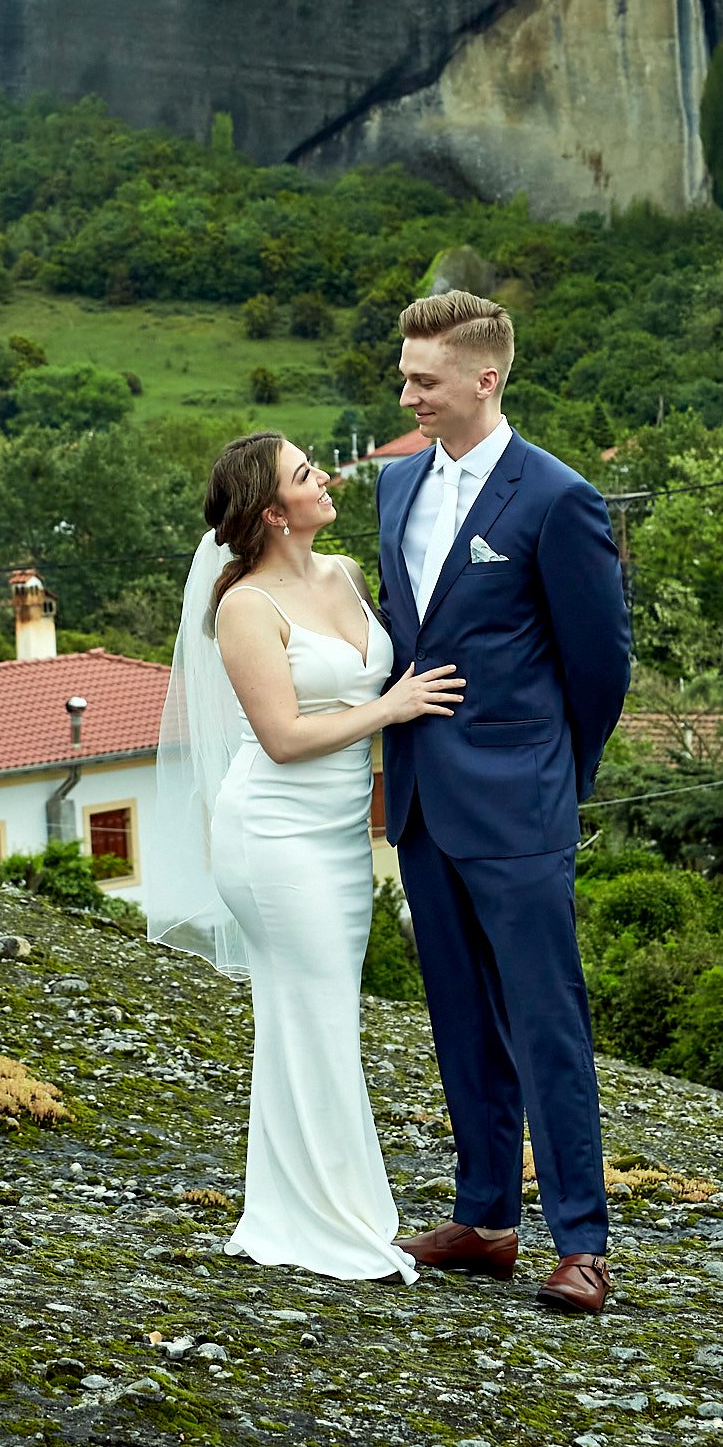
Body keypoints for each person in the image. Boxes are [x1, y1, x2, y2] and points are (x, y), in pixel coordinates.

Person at [150, 430, 464, 1282]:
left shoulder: (347, 574)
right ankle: (321, 1222)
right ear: (270, 512)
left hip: (335, 837)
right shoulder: (245, 607)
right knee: (313, 1018)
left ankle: (319, 1210)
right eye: (303, 474)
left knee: (318, 1019)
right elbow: (284, 738)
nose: (323, 477)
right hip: (275, 837)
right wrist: (393, 709)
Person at [377, 291, 632, 1314]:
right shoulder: (395, 489)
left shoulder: (557, 497)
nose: (407, 395)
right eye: (403, 376)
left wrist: (555, 778)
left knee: (546, 1022)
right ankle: (484, 1221)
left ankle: (582, 1243)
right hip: (422, 806)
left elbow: (600, 664)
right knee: (457, 1020)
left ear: (486, 378)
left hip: (522, 803)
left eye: (423, 380)